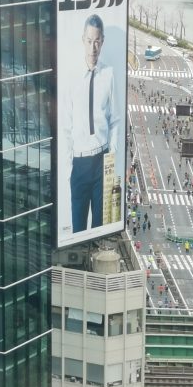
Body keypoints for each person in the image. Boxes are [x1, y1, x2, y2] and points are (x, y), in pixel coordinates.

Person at [61, 13, 120, 236]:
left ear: (102, 41)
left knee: (99, 230)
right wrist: (69, 167)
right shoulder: (72, 77)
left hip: (101, 160)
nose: (93, 47)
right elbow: (65, 126)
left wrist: (111, 155)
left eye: (97, 41)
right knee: (77, 230)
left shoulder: (109, 75)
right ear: (82, 40)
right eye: (89, 41)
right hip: (79, 163)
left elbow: (114, 119)